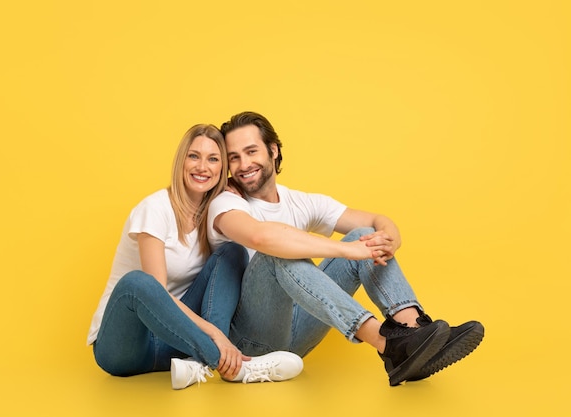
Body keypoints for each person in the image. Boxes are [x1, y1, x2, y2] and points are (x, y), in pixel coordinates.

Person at [207, 111, 484, 386]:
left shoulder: (299, 201)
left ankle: (414, 333)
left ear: (273, 150)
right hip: (248, 344)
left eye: (251, 151)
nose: (244, 164)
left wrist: (390, 238)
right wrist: (346, 251)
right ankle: (387, 343)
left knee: (364, 235)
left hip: (298, 333)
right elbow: (260, 238)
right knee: (277, 252)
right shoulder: (225, 203)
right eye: (234, 157)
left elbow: (376, 222)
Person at [87, 123, 303, 390]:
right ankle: (232, 364)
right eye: (194, 156)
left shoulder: (213, 212)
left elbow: (233, 269)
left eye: (213, 159)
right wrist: (215, 336)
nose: (203, 167)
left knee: (232, 253)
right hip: (125, 346)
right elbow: (158, 293)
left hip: (176, 341)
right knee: (138, 283)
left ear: (222, 169)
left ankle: (198, 363)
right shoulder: (154, 209)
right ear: (181, 161)